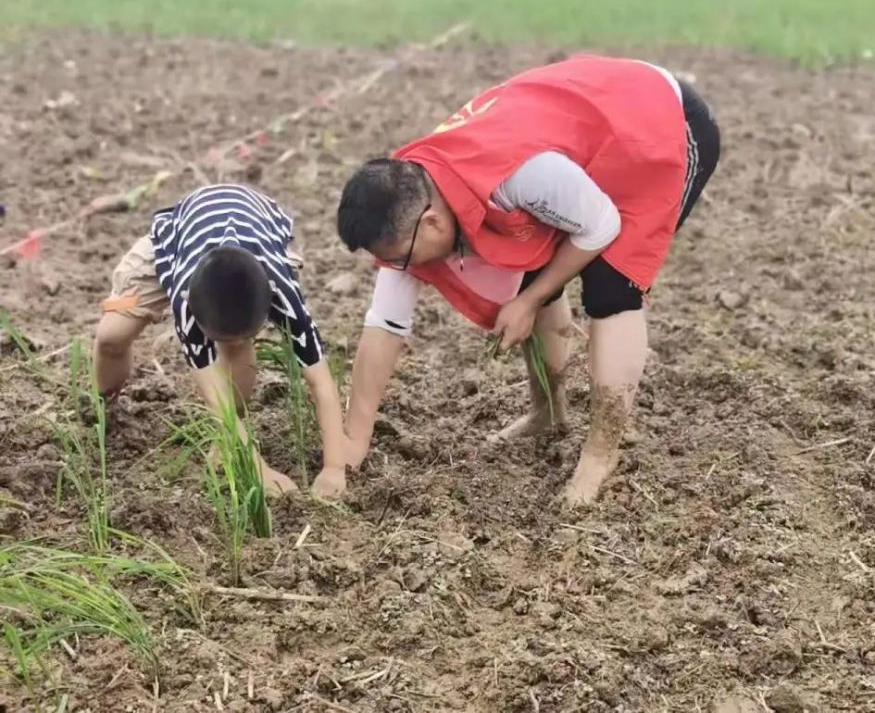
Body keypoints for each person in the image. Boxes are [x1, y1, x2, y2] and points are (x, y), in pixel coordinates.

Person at [336, 55, 720, 505]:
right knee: (530, 266)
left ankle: (601, 452)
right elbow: (384, 326)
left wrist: (531, 300)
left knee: (611, 284)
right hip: (574, 135)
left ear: (434, 223)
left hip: (655, 126)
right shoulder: (405, 197)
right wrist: (352, 446)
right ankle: (549, 413)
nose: (403, 270)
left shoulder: (519, 175)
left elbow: (600, 226)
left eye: (402, 259)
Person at [94, 184, 346, 497]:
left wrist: (334, 468)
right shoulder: (186, 301)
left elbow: (321, 383)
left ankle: (229, 440)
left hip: (260, 228)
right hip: (174, 238)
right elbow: (214, 394)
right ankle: (101, 407)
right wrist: (258, 469)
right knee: (111, 337)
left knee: (235, 349)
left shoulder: (283, 296)